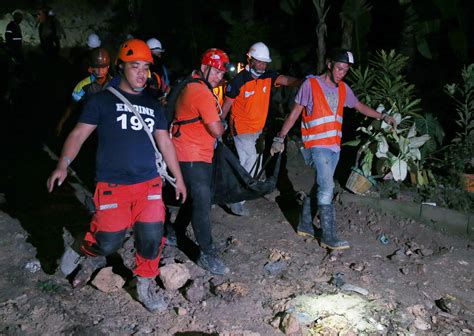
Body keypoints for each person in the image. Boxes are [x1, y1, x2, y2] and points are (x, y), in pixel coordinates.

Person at [47, 39, 186, 312]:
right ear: (121, 67)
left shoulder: (153, 105)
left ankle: (144, 285)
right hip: (113, 186)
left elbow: (165, 142)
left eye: (145, 68)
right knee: (108, 241)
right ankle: (82, 248)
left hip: (149, 185)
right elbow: (78, 133)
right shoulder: (101, 101)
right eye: (135, 66)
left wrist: (178, 177)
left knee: (151, 237)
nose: (141, 73)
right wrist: (63, 164)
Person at [271, 49, 396, 250]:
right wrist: (280, 137)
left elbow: (359, 106)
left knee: (320, 185)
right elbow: (295, 113)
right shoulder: (310, 85)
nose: (341, 73)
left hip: (333, 147)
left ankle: (304, 224)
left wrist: (382, 117)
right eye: (339, 68)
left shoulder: (343, 89)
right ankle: (328, 235)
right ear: (329, 64)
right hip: (315, 145)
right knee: (327, 187)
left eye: (345, 70)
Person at [221, 42, 301, 216]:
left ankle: (229, 192)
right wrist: (219, 123)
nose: (262, 65)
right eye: (259, 62)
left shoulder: (268, 76)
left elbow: (287, 80)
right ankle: (235, 201)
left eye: (265, 62)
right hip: (241, 128)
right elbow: (227, 104)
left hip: (257, 130)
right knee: (248, 161)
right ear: (250, 60)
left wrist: (307, 83)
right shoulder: (238, 81)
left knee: (253, 165)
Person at [170, 48, 229, 275]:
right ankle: (207, 253)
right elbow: (216, 129)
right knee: (202, 203)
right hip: (191, 155)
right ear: (204, 67)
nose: (219, 77)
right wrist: (222, 126)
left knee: (194, 199)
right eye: (216, 72)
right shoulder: (200, 91)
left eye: (222, 74)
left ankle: (175, 234)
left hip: (194, 153)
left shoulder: (194, 85)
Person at [56, 47, 112, 136]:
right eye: (96, 67)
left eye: (103, 67)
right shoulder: (83, 85)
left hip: (108, 127)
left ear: (108, 66)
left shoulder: (116, 84)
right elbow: (72, 106)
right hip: (89, 126)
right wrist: (61, 122)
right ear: (91, 67)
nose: (100, 71)